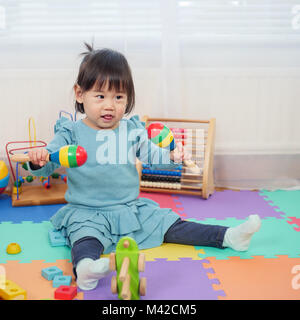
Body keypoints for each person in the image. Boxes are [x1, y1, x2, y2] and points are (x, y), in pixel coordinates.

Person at [28, 43, 261, 291]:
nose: (110, 105)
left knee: (173, 225)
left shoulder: (131, 130)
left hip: (131, 211)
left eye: (118, 97)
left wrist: (172, 155)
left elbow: (153, 155)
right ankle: (86, 269)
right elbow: (47, 165)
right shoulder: (70, 131)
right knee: (84, 238)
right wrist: (37, 159)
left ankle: (228, 236)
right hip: (87, 211)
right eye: (100, 96)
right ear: (79, 94)